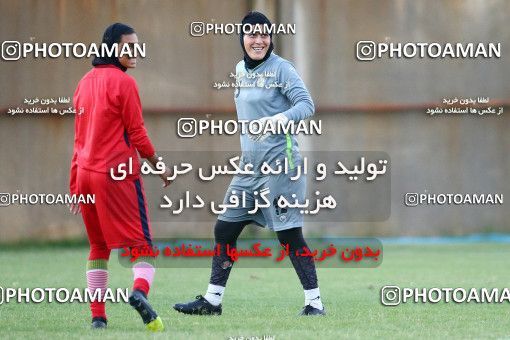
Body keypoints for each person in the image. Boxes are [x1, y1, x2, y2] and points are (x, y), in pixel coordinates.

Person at [173, 11, 325, 316]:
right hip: (249, 168)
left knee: (288, 234)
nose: (259, 40)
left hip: (281, 166)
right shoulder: (240, 70)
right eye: (252, 35)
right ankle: (213, 301)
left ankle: (314, 304)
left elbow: (306, 105)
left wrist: (278, 119)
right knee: (224, 229)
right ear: (242, 38)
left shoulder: (282, 69)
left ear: (271, 37)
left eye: (264, 35)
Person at [69, 23, 170, 331]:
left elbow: (79, 137)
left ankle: (98, 317)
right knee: (142, 245)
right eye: (129, 46)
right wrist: (158, 163)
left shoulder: (84, 82)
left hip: (86, 174)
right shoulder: (125, 84)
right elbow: (137, 132)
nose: (135, 52)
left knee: (98, 246)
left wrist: (75, 182)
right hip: (116, 175)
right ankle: (139, 293)